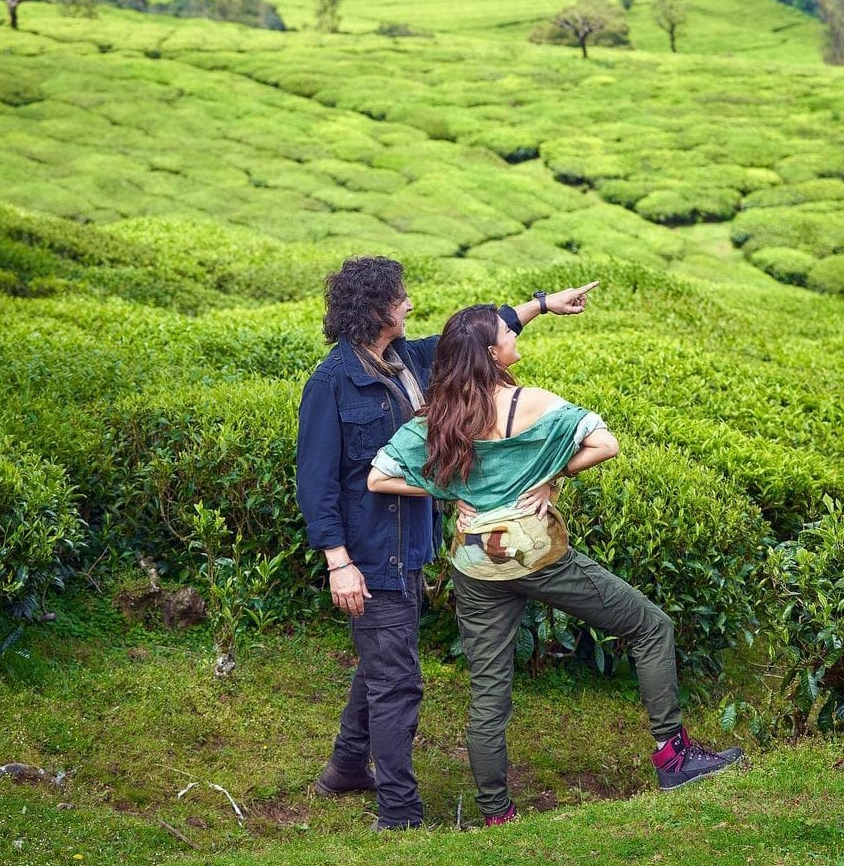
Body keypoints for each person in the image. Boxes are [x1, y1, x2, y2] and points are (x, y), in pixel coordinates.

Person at [367, 304, 744, 827]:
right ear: (492, 353)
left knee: (489, 691)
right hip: (536, 554)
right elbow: (604, 444)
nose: (511, 334)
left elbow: (378, 478)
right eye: (505, 332)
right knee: (651, 626)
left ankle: (497, 814)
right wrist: (545, 477)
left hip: (475, 563)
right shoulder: (530, 402)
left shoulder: (437, 417)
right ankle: (673, 758)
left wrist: (447, 489)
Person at [295, 257, 597, 831]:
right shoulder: (331, 383)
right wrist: (339, 563)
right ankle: (400, 815)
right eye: (402, 297)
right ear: (377, 308)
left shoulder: (407, 359)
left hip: (411, 545)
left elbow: (471, 338)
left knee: (382, 660)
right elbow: (316, 482)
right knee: (398, 680)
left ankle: (345, 768)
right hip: (367, 552)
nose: (410, 304)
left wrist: (540, 305)